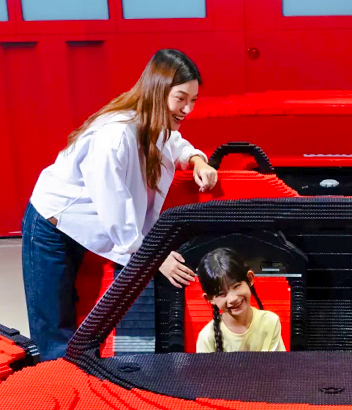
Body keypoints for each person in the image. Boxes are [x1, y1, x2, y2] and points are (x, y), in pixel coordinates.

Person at [23, 49, 219, 360]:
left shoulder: (152, 121)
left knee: (80, 313)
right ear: (157, 91)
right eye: (181, 98)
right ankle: (61, 381)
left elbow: (172, 142)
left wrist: (196, 159)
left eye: (193, 100)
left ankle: (90, 368)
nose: (187, 109)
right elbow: (118, 219)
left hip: (86, 225)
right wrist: (156, 257)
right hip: (52, 225)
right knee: (54, 329)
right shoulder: (114, 137)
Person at [194, 248, 285, 353]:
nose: (233, 299)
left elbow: (279, 363)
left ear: (250, 278)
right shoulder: (207, 337)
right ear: (210, 299)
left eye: (236, 286)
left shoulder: (270, 322)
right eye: (221, 294)